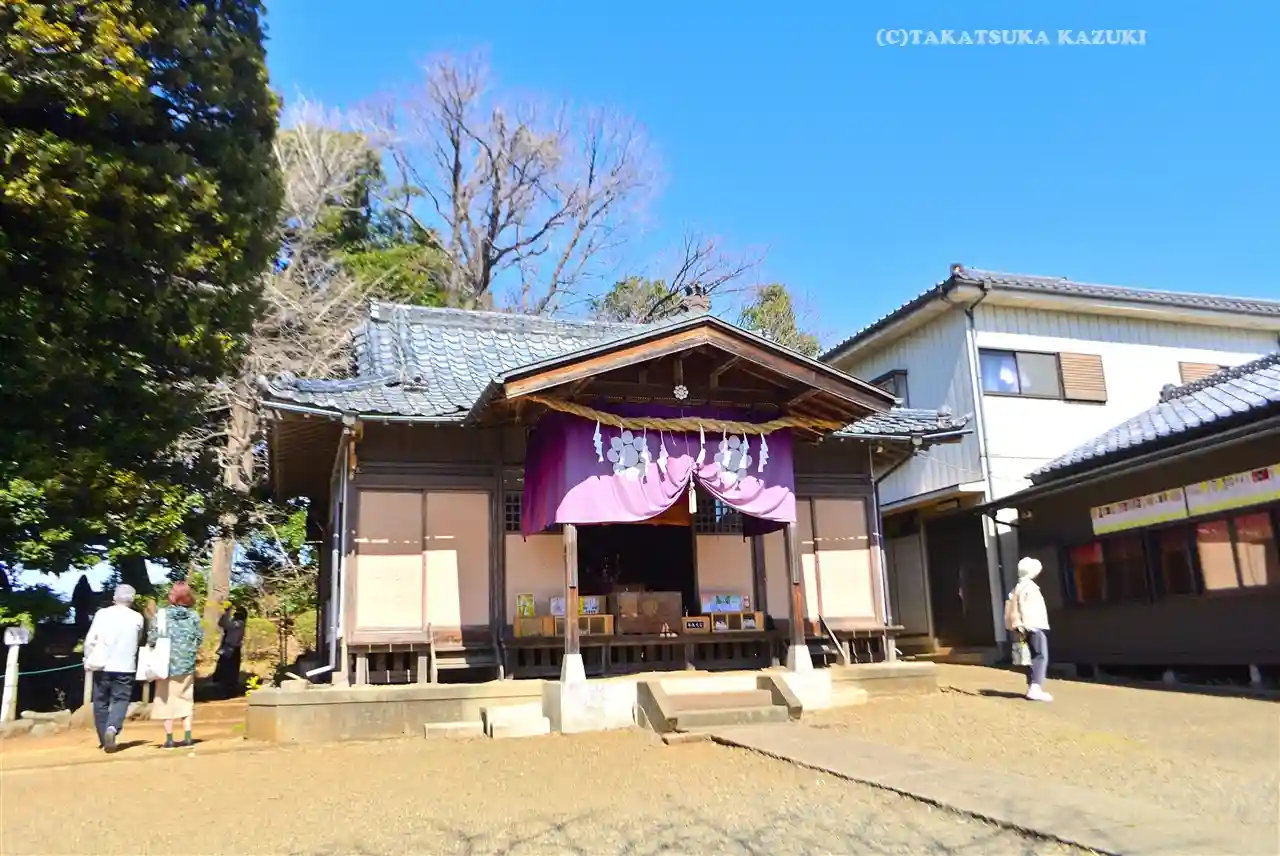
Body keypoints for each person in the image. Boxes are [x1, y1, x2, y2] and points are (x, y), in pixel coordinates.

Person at [83, 584, 144, 752]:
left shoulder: (102, 614)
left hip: (102, 664)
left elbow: (90, 639)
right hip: (126, 665)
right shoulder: (137, 617)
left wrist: (87, 658)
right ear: (132, 599)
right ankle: (112, 727)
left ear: (114, 598)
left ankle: (104, 739)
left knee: (100, 701)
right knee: (121, 700)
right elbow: (138, 638)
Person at [149, 581, 205, 748]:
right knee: (186, 698)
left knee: (166, 699)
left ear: (172, 595)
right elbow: (199, 638)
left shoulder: (162, 614)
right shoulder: (194, 615)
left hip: (165, 664)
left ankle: (169, 738)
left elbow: (153, 638)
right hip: (186, 663)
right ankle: (187, 736)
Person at [1005, 556, 1052, 702]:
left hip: (1024, 627)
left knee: (1032, 657)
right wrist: (1030, 626)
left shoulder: (1017, 588)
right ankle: (1035, 687)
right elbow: (1028, 609)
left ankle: (1033, 686)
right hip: (1033, 626)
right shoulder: (1029, 588)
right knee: (1040, 656)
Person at [213, 607, 247, 691]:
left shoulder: (239, 623)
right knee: (223, 666)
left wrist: (227, 612)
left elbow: (226, 625)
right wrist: (225, 614)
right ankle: (222, 683)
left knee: (230, 668)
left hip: (233, 648)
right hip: (228, 647)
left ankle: (229, 685)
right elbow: (221, 623)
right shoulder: (234, 622)